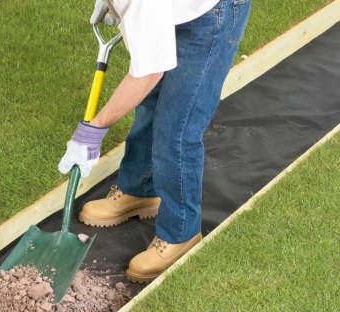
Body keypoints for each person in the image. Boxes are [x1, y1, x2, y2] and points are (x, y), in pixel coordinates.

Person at [58, 0, 251, 283]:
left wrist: (94, 131)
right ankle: (141, 190)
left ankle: (181, 233)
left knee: (178, 126)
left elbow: (148, 72)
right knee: (151, 103)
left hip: (215, 12)